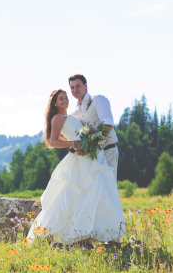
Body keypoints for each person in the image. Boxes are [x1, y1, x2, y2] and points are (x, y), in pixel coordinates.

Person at [26, 89, 126, 246]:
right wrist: (73, 143)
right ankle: (72, 232)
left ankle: (100, 232)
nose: (65, 100)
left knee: (96, 192)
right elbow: (52, 141)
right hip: (81, 159)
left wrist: (81, 140)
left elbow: (66, 136)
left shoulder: (69, 116)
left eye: (66, 97)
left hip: (89, 156)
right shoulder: (58, 118)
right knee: (76, 193)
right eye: (61, 99)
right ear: (54, 103)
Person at [69, 74, 119, 180]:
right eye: (72, 87)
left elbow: (108, 125)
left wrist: (90, 145)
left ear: (86, 86)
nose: (75, 90)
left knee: (109, 188)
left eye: (78, 86)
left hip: (108, 151)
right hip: (92, 157)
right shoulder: (74, 113)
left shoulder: (98, 99)